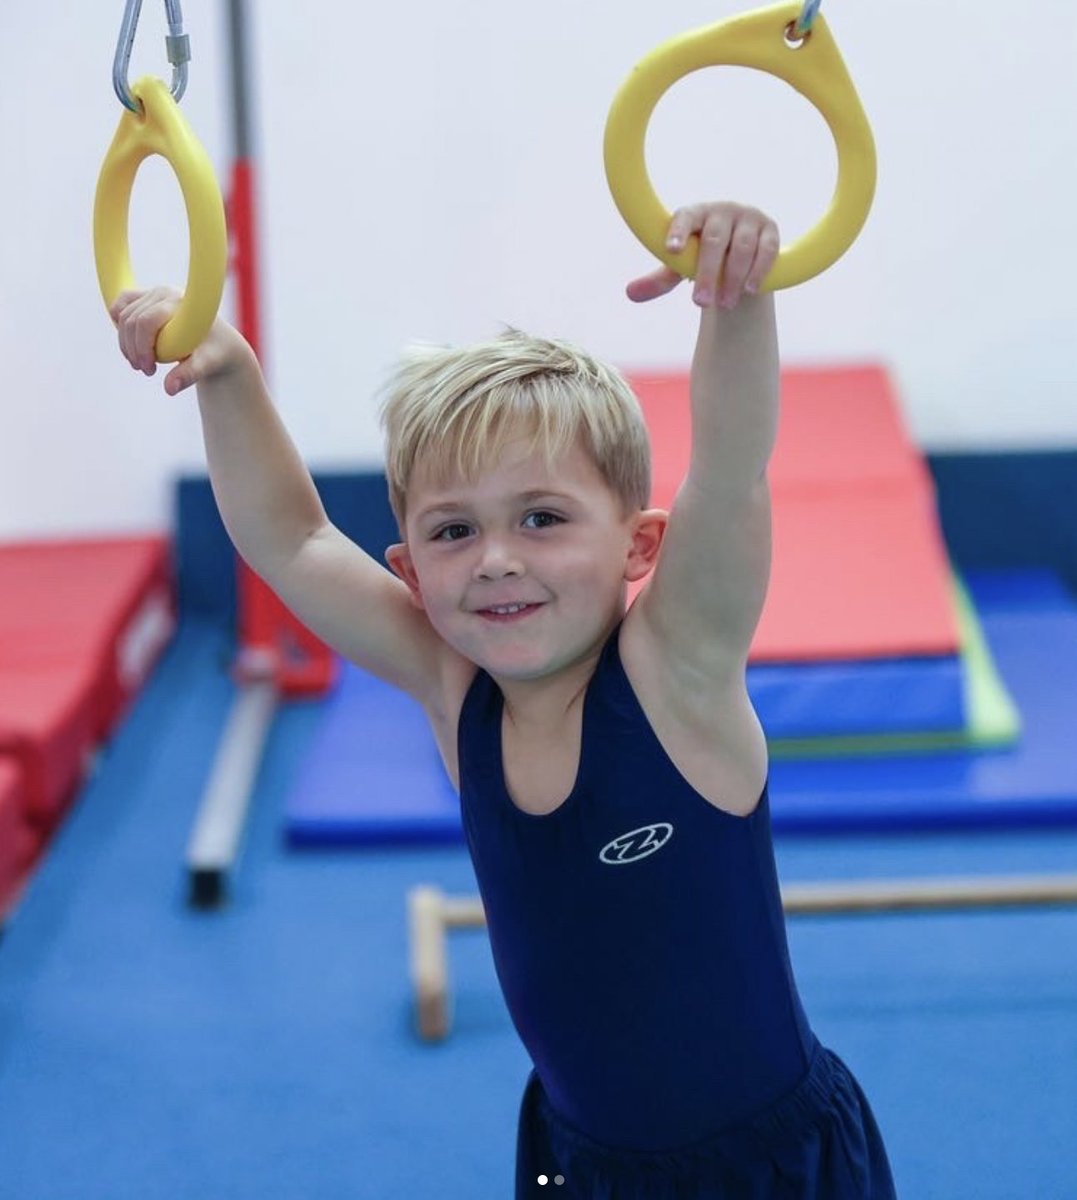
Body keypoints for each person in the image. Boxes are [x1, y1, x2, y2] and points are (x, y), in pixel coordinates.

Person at [111, 201, 896, 1198]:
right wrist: (224, 368)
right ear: (406, 567)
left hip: (765, 1170)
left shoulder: (677, 675)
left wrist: (734, 300)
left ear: (640, 546)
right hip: (580, 1163)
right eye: (451, 533)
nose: (496, 561)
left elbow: (733, 474)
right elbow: (292, 541)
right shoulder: (455, 692)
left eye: (541, 517)